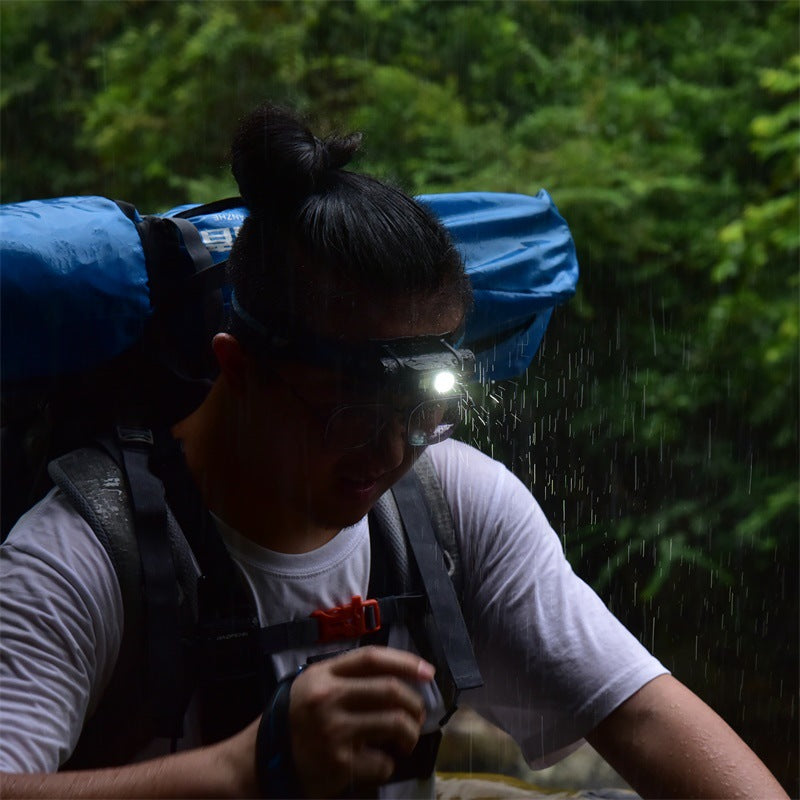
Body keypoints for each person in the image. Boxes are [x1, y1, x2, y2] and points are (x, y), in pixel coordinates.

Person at [0, 104, 788, 800]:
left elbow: (647, 717)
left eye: (427, 410)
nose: (391, 452)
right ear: (236, 370)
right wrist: (246, 771)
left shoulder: (450, 507)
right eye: (350, 415)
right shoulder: (84, 556)